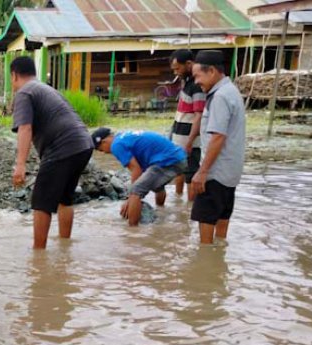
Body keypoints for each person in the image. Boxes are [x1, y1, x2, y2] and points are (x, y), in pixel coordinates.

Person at [9, 56, 93, 247]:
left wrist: (20, 165)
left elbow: (25, 128)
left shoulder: (24, 93)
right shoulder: (45, 88)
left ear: (14, 75)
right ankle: (65, 246)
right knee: (65, 198)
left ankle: (38, 254)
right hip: (83, 144)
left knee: (41, 201)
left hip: (62, 147)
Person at [191, 50, 245, 244]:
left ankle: (205, 265)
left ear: (212, 71)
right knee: (222, 223)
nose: (196, 81)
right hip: (229, 173)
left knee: (205, 224)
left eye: (198, 75)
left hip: (215, 173)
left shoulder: (220, 97)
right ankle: (218, 263)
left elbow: (217, 137)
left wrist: (202, 171)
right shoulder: (231, 91)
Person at [91, 128, 187, 226]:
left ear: (104, 141)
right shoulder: (123, 136)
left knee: (135, 190)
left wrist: (130, 200)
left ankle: (132, 231)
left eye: (101, 149)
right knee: (156, 185)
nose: (104, 152)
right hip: (179, 158)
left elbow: (136, 170)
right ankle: (161, 210)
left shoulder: (116, 145)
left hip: (168, 161)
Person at [169, 49, 206, 201]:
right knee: (179, 170)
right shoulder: (187, 83)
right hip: (179, 137)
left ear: (189, 64)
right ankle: (178, 200)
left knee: (190, 173)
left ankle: (190, 207)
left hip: (189, 140)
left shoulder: (197, 86)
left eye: (178, 68)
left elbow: (199, 115)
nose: (176, 73)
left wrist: (190, 141)